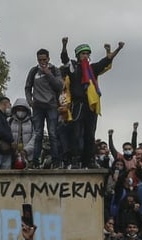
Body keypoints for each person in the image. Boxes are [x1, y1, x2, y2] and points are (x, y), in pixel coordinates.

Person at [60, 39, 125, 168]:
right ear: (78, 55)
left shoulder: (92, 69)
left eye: (87, 54)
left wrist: (118, 49)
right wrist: (64, 45)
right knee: (76, 133)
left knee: (90, 135)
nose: (85, 56)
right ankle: (75, 160)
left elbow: (106, 60)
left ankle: (88, 161)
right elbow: (64, 59)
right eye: (82, 54)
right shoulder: (73, 68)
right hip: (78, 105)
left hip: (91, 105)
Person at [23, 49, 64, 168]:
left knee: (52, 133)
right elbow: (27, 87)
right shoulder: (34, 71)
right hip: (38, 107)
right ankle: (35, 161)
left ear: (48, 59)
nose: (42, 62)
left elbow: (59, 86)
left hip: (51, 106)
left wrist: (48, 73)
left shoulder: (54, 70)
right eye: (40, 60)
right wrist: (30, 101)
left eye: (44, 60)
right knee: (38, 134)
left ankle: (56, 161)